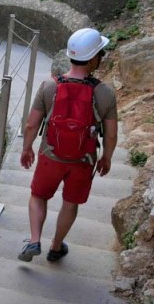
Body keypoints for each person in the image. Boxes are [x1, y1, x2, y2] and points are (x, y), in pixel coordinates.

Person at [18, 27, 118, 263]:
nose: (101, 58)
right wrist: (106, 157)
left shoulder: (49, 87)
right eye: (100, 54)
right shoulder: (104, 94)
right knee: (70, 203)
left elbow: (31, 125)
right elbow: (111, 135)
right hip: (82, 161)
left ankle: (34, 240)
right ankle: (55, 247)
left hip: (50, 156)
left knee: (38, 196)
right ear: (93, 58)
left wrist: (27, 148)